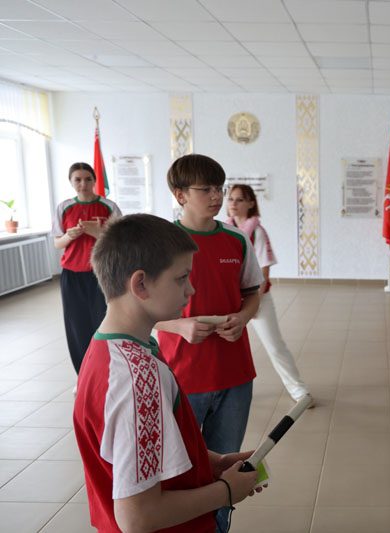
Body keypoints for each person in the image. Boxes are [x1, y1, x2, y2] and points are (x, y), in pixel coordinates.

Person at [73, 214, 262, 533]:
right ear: (140, 284)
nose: (191, 289)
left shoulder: (110, 347)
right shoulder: (137, 378)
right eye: (181, 278)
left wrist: (213, 463)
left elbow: (142, 450)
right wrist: (227, 491)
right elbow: (138, 517)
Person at [155, 154, 263, 530]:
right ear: (180, 194)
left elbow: (252, 293)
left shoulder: (236, 239)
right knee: (183, 468)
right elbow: (137, 307)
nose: (217, 196)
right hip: (182, 374)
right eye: (206, 189)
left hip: (235, 375)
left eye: (220, 188)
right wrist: (178, 326)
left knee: (227, 468)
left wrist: (243, 318)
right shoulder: (161, 243)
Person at [225, 184, 313, 405]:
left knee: (274, 346)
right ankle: (225, 394)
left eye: (239, 199)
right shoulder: (225, 231)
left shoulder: (257, 232)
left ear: (251, 203)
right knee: (226, 349)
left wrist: (252, 305)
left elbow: (264, 273)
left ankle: (298, 390)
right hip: (230, 301)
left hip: (257, 300)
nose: (233, 204)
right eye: (231, 199)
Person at [53, 162, 122, 377]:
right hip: (72, 276)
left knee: (104, 321)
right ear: (71, 182)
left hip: (102, 274)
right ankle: (83, 374)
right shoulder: (64, 207)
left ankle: (108, 371)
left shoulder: (108, 206)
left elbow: (120, 241)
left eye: (88, 179)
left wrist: (98, 233)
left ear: (94, 180)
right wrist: (69, 236)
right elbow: (57, 242)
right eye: (78, 179)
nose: (83, 184)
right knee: (77, 325)